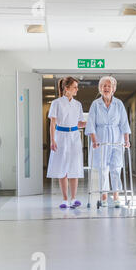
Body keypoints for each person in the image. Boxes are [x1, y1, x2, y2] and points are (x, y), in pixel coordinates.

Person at [85, 76, 131, 208]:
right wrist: (94, 140)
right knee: (103, 169)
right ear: (100, 88)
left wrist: (126, 141)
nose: (106, 88)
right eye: (103, 86)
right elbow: (91, 124)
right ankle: (104, 196)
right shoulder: (95, 104)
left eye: (108, 86)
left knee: (116, 167)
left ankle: (116, 195)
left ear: (113, 89)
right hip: (101, 139)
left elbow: (124, 123)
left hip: (116, 139)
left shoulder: (119, 104)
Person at [47, 77, 86, 209]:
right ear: (66, 88)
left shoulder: (78, 104)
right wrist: (52, 139)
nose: (77, 89)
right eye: (74, 87)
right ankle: (64, 199)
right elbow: (52, 123)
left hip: (74, 136)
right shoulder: (56, 103)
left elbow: (80, 123)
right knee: (62, 168)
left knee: (74, 167)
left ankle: (74, 198)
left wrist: (91, 123)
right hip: (60, 136)